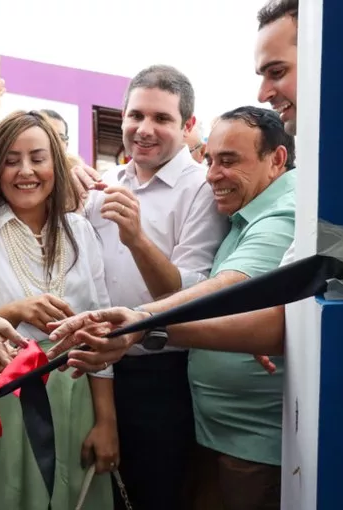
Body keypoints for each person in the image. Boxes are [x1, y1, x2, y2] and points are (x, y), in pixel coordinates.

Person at [49, 105, 297, 510]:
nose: (213, 174)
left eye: (229, 161)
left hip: (251, 441)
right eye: (211, 160)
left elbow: (228, 287)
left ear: (277, 159)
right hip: (217, 432)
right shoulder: (243, 211)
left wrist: (144, 320)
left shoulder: (280, 213)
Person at [0, 111, 117, 510]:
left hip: (76, 400)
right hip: (5, 405)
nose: (26, 172)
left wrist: (107, 421)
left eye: (38, 158)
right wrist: (13, 312)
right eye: (11, 160)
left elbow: (102, 332)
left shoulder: (80, 232)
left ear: (56, 162)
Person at [75, 64, 229, 510]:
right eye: (135, 115)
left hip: (162, 378)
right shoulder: (104, 186)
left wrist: (137, 239)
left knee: (155, 491)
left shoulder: (200, 188)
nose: (145, 129)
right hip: (96, 373)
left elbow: (188, 299)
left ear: (187, 126)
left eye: (161, 118)